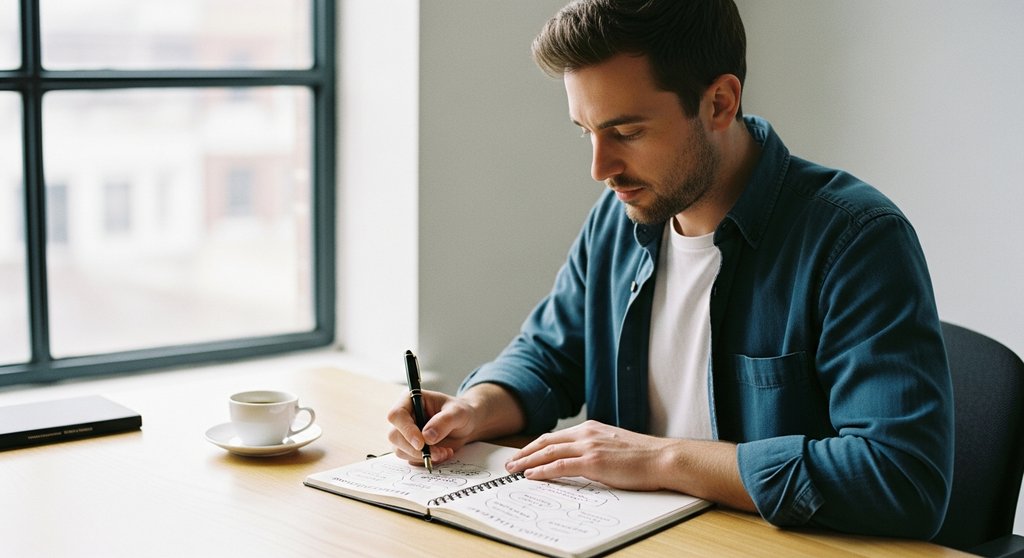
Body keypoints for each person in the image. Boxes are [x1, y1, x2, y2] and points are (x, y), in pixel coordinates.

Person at [387, 0, 953, 540]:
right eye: (586, 133)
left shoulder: (854, 239)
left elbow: (902, 478)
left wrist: (661, 457)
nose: (600, 168)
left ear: (719, 103)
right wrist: (474, 408)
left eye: (627, 132)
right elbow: (549, 354)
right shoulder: (618, 220)